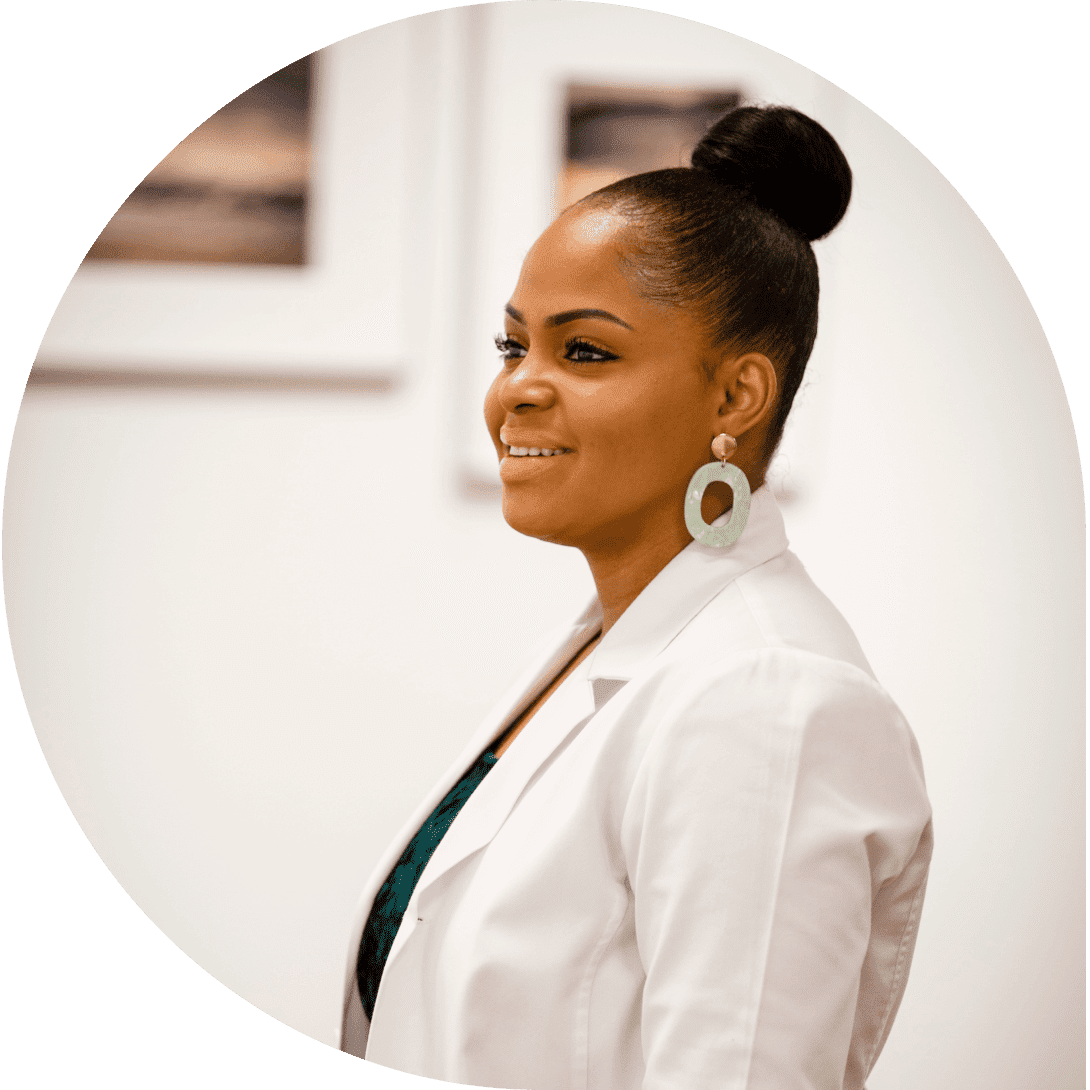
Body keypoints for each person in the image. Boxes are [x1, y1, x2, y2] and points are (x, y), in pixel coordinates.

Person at [339, 105, 932, 1090]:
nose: (516, 391)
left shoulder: (769, 702)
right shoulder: (612, 641)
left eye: (585, 352)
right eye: (510, 344)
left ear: (734, 398)